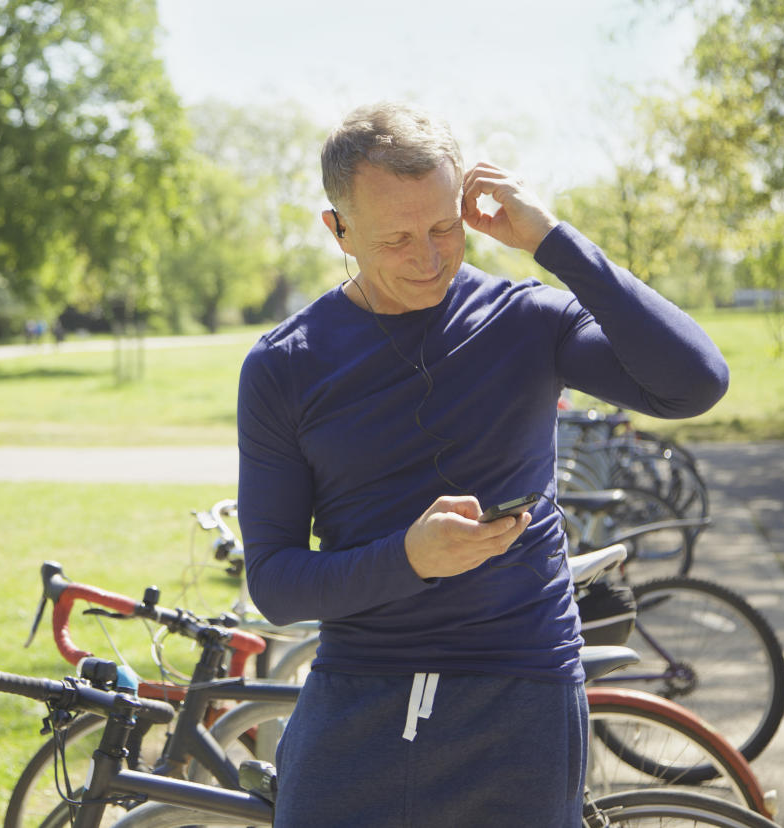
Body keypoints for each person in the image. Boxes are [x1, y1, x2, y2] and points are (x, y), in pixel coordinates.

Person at [236, 102, 729, 826]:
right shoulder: (284, 365)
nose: (429, 259)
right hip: (357, 708)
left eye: (444, 228)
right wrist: (409, 558)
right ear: (337, 229)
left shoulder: (525, 318)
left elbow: (695, 381)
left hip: (520, 698)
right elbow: (275, 584)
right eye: (396, 239)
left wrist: (552, 240)